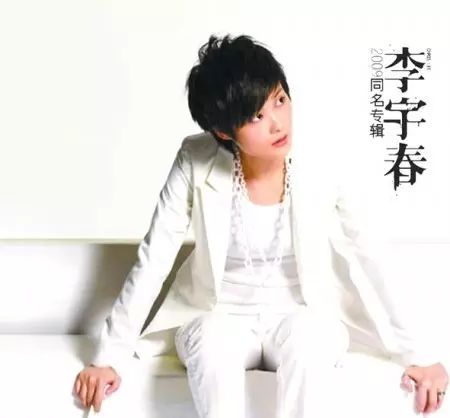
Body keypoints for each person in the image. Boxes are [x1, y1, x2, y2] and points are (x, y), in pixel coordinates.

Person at [73, 34, 449, 417]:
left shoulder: (324, 158)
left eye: (280, 100)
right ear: (223, 132)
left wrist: (419, 354)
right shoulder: (195, 158)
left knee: (309, 341)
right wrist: (109, 356)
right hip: (220, 317)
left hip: (303, 315)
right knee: (213, 343)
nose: (277, 124)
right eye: (256, 116)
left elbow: (369, 251)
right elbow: (155, 257)